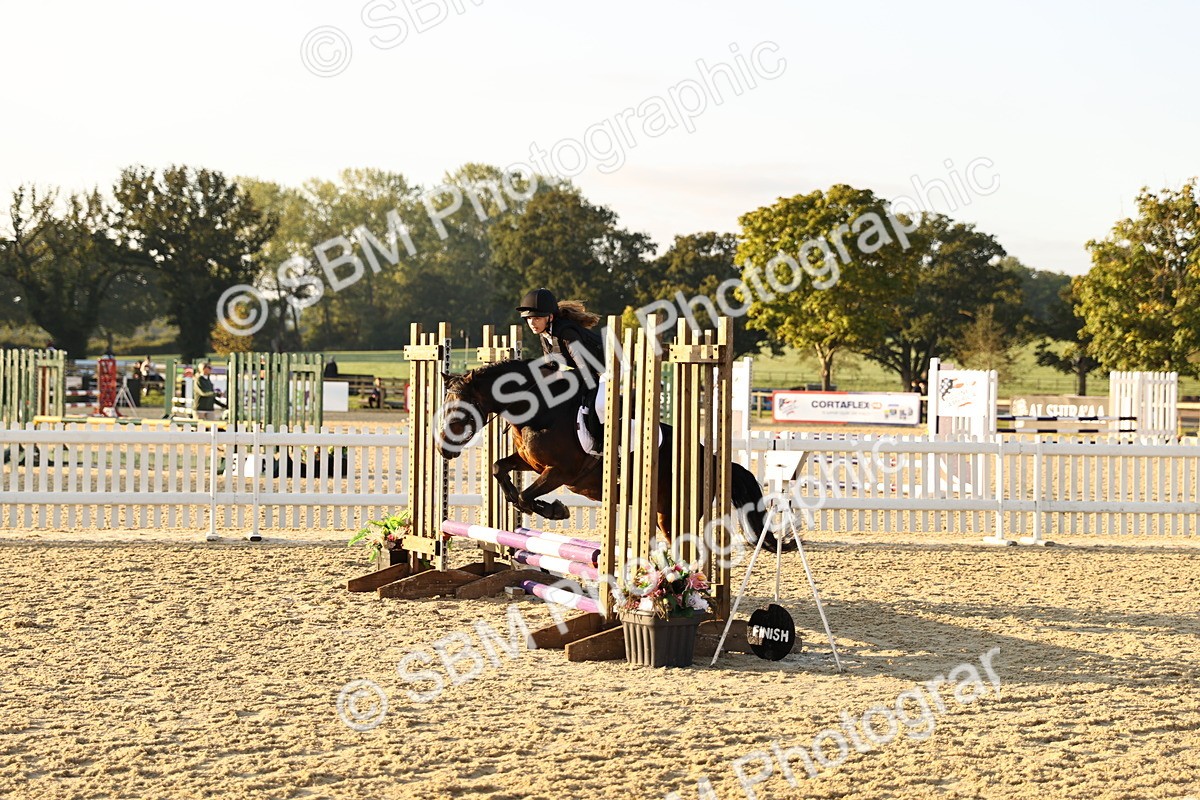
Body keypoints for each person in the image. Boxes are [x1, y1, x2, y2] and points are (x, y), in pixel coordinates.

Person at [516, 288, 606, 451]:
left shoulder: (566, 333)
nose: (532, 323)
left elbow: (585, 371)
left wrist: (559, 376)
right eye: (528, 318)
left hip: (611, 368)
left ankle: (605, 446)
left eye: (537, 318)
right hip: (593, 372)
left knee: (598, 405)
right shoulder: (545, 334)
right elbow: (551, 365)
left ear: (550, 317)